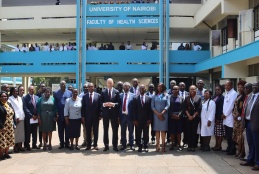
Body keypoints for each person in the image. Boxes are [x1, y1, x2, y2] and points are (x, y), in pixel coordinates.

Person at [240, 82, 259, 171]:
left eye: (256, 86)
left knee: (257, 144)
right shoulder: (250, 96)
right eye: (253, 86)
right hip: (248, 123)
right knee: (250, 143)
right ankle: (250, 160)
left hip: (256, 124)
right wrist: (243, 123)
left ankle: (257, 163)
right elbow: (245, 109)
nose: (254, 87)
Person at [101, 78, 121, 151]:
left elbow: (119, 103)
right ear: (106, 83)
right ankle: (106, 145)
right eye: (108, 83)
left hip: (114, 114)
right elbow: (100, 103)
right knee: (105, 130)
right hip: (106, 114)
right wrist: (104, 104)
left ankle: (115, 145)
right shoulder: (103, 92)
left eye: (111, 83)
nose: (109, 84)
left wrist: (113, 104)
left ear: (113, 84)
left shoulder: (116, 92)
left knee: (115, 130)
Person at [82, 83, 102, 150]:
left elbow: (100, 106)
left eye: (92, 86)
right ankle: (88, 145)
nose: (90, 88)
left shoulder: (98, 95)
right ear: (88, 88)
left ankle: (95, 145)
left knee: (96, 131)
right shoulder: (84, 96)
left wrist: (100, 115)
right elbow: (83, 107)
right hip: (87, 117)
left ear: (94, 87)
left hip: (96, 117)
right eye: (89, 87)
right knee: (88, 131)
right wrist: (83, 116)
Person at [151, 83, 170, 152]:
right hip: (156, 116)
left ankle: (163, 146)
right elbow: (152, 106)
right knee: (157, 130)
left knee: (163, 130)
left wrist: (162, 113)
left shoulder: (167, 95)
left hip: (164, 115)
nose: (159, 88)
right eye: (158, 86)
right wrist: (158, 114)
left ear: (163, 88)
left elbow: (168, 105)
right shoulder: (154, 96)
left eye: (161, 87)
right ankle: (157, 145)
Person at [53, 81, 72, 149]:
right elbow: (54, 104)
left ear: (66, 85)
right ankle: (61, 143)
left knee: (67, 129)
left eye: (64, 84)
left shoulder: (69, 92)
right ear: (60, 85)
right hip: (59, 115)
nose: (63, 85)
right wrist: (56, 113)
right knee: (60, 130)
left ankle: (67, 143)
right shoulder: (55, 93)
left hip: (67, 115)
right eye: (62, 84)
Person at [133, 84, 152, 152]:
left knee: (146, 134)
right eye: (140, 88)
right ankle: (140, 146)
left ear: (145, 89)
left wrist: (150, 119)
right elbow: (134, 110)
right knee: (138, 134)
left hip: (146, 120)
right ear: (139, 90)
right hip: (138, 120)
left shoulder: (149, 98)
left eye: (143, 88)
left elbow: (150, 110)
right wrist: (134, 119)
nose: (141, 89)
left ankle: (145, 146)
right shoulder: (135, 98)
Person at [222, 80, 237, 155]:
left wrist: (225, 114)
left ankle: (232, 149)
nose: (226, 87)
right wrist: (223, 114)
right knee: (227, 134)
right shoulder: (227, 93)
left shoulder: (234, 93)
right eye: (225, 85)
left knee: (231, 134)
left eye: (228, 85)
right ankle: (229, 147)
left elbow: (231, 106)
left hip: (230, 117)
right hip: (225, 116)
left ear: (231, 86)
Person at [184, 85, 202, 152]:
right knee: (188, 131)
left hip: (195, 118)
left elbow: (199, 108)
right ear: (189, 90)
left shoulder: (199, 98)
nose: (192, 90)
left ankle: (193, 146)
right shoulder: (187, 98)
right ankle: (189, 146)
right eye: (191, 89)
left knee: (194, 132)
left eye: (193, 89)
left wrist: (193, 116)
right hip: (188, 118)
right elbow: (184, 108)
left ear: (196, 90)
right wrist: (189, 116)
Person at [8, 87, 25, 153]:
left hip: (22, 117)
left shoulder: (20, 98)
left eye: (17, 91)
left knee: (21, 133)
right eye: (14, 91)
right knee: (16, 133)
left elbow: (21, 108)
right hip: (16, 118)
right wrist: (16, 117)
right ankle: (15, 147)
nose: (16, 92)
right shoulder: (10, 99)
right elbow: (13, 109)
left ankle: (20, 146)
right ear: (12, 92)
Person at [23, 85, 39, 151]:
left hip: (36, 118)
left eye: (33, 89)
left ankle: (34, 144)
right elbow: (25, 108)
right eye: (30, 89)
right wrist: (31, 116)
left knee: (35, 132)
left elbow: (38, 107)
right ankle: (27, 145)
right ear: (28, 90)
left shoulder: (37, 97)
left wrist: (37, 115)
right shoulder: (25, 98)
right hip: (29, 118)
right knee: (28, 132)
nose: (32, 90)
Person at [233, 80, 246, 158]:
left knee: (240, 137)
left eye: (242, 87)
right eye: (239, 87)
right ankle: (238, 150)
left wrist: (237, 115)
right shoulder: (238, 96)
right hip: (235, 119)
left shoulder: (244, 97)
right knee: (236, 136)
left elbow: (241, 108)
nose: (240, 89)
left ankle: (242, 152)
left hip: (240, 119)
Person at [0, 91, 16, 160]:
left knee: (9, 140)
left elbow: (13, 114)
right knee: (2, 142)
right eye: (2, 96)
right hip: (2, 126)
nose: (4, 97)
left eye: (5, 96)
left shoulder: (9, 104)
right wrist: (1, 126)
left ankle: (6, 153)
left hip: (10, 126)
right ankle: (1, 155)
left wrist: (14, 123)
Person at [119, 82, 135, 151]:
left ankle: (131, 145)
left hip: (130, 116)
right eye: (124, 86)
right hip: (122, 116)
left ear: (129, 87)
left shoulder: (133, 95)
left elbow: (135, 108)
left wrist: (134, 117)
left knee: (131, 131)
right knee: (123, 131)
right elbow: (119, 106)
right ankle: (124, 145)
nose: (125, 87)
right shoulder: (120, 95)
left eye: (127, 86)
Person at [169, 85, 184, 151]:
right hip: (172, 117)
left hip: (179, 117)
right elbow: (168, 107)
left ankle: (179, 144)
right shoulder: (169, 98)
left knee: (178, 132)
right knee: (172, 132)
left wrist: (179, 115)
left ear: (179, 90)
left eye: (176, 89)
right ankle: (172, 144)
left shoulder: (181, 98)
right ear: (172, 90)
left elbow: (183, 108)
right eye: (174, 89)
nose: (175, 90)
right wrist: (172, 114)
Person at [212, 85, 225, 151]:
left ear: (222, 90)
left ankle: (219, 146)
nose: (217, 91)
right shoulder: (214, 97)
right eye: (216, 89)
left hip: (218, 118)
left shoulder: (222, 98)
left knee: (219, 133)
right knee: (216, 133)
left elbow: (221, 109)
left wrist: (218, 118)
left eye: (218, 89)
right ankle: (216, 144)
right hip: (214, 117)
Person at [179, 82, 189, 146]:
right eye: (181, 86)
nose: (182, 87)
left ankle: (185, 142)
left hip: (186, 114)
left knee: (186, 129)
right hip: (179, 115)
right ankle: (178, 142)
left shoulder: (188, 94)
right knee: (179, 129)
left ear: (185, 87)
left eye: (183, 86)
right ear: (179, 86)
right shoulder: (176, 93)